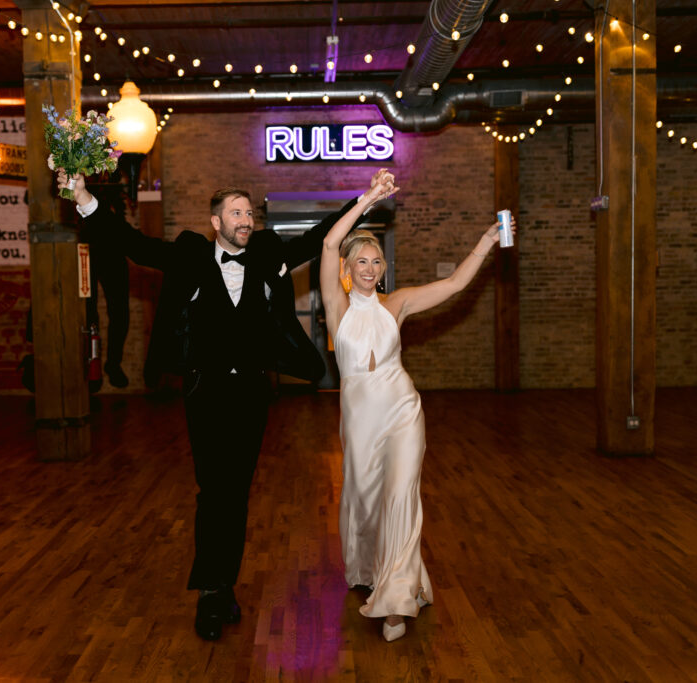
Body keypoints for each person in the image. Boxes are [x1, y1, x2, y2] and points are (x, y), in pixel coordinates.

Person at [56, 168, 384, 641]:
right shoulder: (190, 253)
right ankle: (211, 592)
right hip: (204, 391)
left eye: (249, 213)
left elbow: (319, 237)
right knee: (214, 489)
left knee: (236, 489)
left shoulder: (270, 252)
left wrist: (367, 199)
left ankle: (223, 583)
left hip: (252, 392)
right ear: (216, 221)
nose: (246, 220)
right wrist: (85, 197)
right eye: (236, 213)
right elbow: (133, 244)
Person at [319, 169, 513, 642]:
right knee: (363, 499)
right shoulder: (336, 305)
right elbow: (328, 244)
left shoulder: (397, 304)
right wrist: (368, 199)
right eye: (361, 262)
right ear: (348, 269)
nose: (370, 268)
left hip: (402, 409)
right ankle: (367, 569)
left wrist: (487, 241)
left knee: (402, 497)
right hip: (360, 416)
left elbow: (452, 286)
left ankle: (396, 600)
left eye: (376, 261)